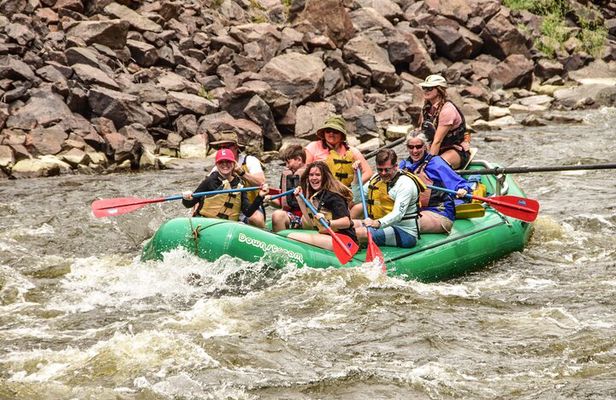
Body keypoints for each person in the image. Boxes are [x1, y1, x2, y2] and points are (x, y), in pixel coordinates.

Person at [350, 149, 425, 248]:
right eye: (380, 169)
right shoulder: (376, 178)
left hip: (404, 232)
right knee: (347, 225)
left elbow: (398, 214)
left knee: (357, 233)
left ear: (395, 166)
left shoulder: (405, 184)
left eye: (387, 169)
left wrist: (377, 223)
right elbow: (358, 198)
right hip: (381, 225)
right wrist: (356, 176)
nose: (383, 173)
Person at [399, 132, 471, 233]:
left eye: (418, 146)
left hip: (438, 212)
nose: (414, 151)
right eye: (411, 147)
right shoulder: (403, 166)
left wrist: (463, 189)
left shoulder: (436, 163)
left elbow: (459, 183)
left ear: (425, 147)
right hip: (415, 211)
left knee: (405, 222)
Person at [287, 161, 358, 250]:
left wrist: (328, 222)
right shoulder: (317, 195)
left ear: (325, 177)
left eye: (318, 175)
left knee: (292, 236)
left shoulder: (334, 197)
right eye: (311, 175)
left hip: (344, 241)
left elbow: (346, 222)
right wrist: (300, 200)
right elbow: (310, 223)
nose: (314, 178)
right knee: (290, 236)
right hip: (329, 236)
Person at [182, 148, 268, 221]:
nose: (225, 164)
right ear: (216, 165)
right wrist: (186, 198)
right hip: (206, 223)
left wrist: (260, 196)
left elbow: (248, 212)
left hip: (227, 226)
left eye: (228, 161)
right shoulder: (209, 181)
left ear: (234, 164)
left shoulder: (240, 185)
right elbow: (189, 204)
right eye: (221, 162)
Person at [209, 130, 266, 228]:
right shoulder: (217, 168)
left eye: (227, 146)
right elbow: (204, 188)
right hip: (226, 210)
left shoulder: (250, 161)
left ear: (236, 147)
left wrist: (242, 173)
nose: (223, 150)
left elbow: (262, 183)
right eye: (221, 147)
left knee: (256, 218)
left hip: (250, 207)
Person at [417, 74, 471, 169]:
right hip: (434, 148)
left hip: (455, 150)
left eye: (430, 88)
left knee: (432, 168)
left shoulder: (447, 110)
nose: (425, 91)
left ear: (439, 90)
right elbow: (420, 134)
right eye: (424, 87)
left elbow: (437, 141)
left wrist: (426, 163)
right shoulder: (426, 109)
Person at [305, 115, 372, 186]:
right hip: (320, 190)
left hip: (346, 191)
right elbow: (305, 171)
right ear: (324, 133)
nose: (331, 133)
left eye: (335, 131)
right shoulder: (313, 147)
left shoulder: (352, 151)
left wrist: (354, 186)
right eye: (328, 131)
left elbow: (368, 172)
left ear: (342, 135)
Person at [264, 144, 306, 232]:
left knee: (278, 215)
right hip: (290, 215)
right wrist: (270, 200)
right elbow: (283, 201)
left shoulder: (311, 176)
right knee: (277, 214)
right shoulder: (287, 176)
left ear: (299, 160)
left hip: (306, 218)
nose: (287, 166)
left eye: (288, 162)